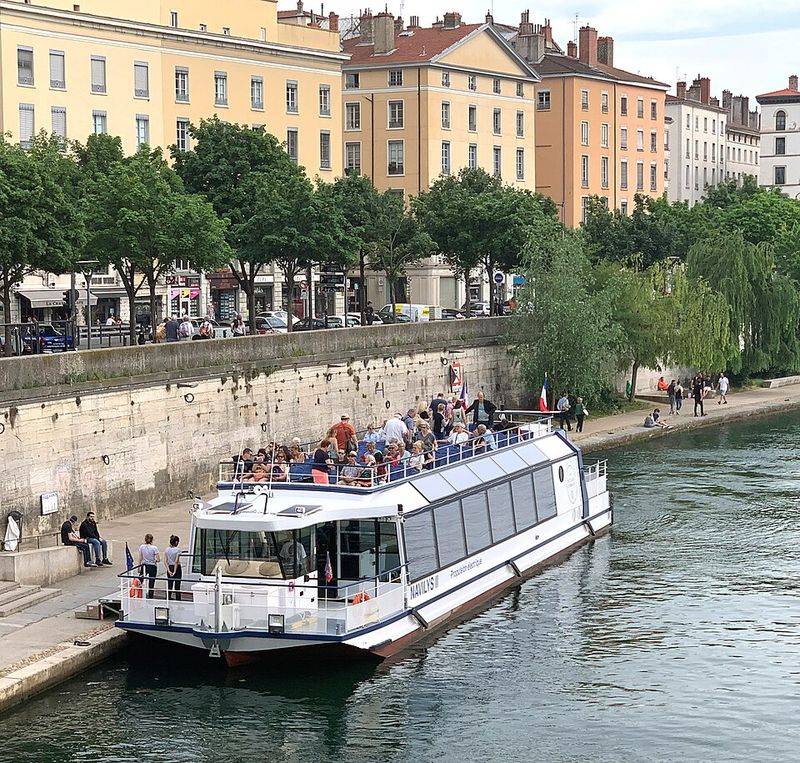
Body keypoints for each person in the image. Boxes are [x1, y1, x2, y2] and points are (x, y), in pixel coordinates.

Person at [138, 534, 160, 599]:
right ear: (152, 540)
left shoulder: (142, 547)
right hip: (152, 566)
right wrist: (154, 560)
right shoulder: (154, 548)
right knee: (151, 582)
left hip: (144, 565)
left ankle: (138, 594)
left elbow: (140, 558)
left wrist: (139, 567)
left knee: (140, 580)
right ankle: (150, 597)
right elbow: (158, 559)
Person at [165, 535, 182, 601]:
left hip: (170, 567)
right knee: (177, 585)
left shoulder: (167, 549)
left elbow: (165, 561)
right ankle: (178, 599)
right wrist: (175, 571)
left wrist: (168, 570)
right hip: (177, 568)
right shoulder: (178, 550)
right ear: (176, 542)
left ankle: (168, 598)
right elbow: (176, 561)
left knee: (170, 584)